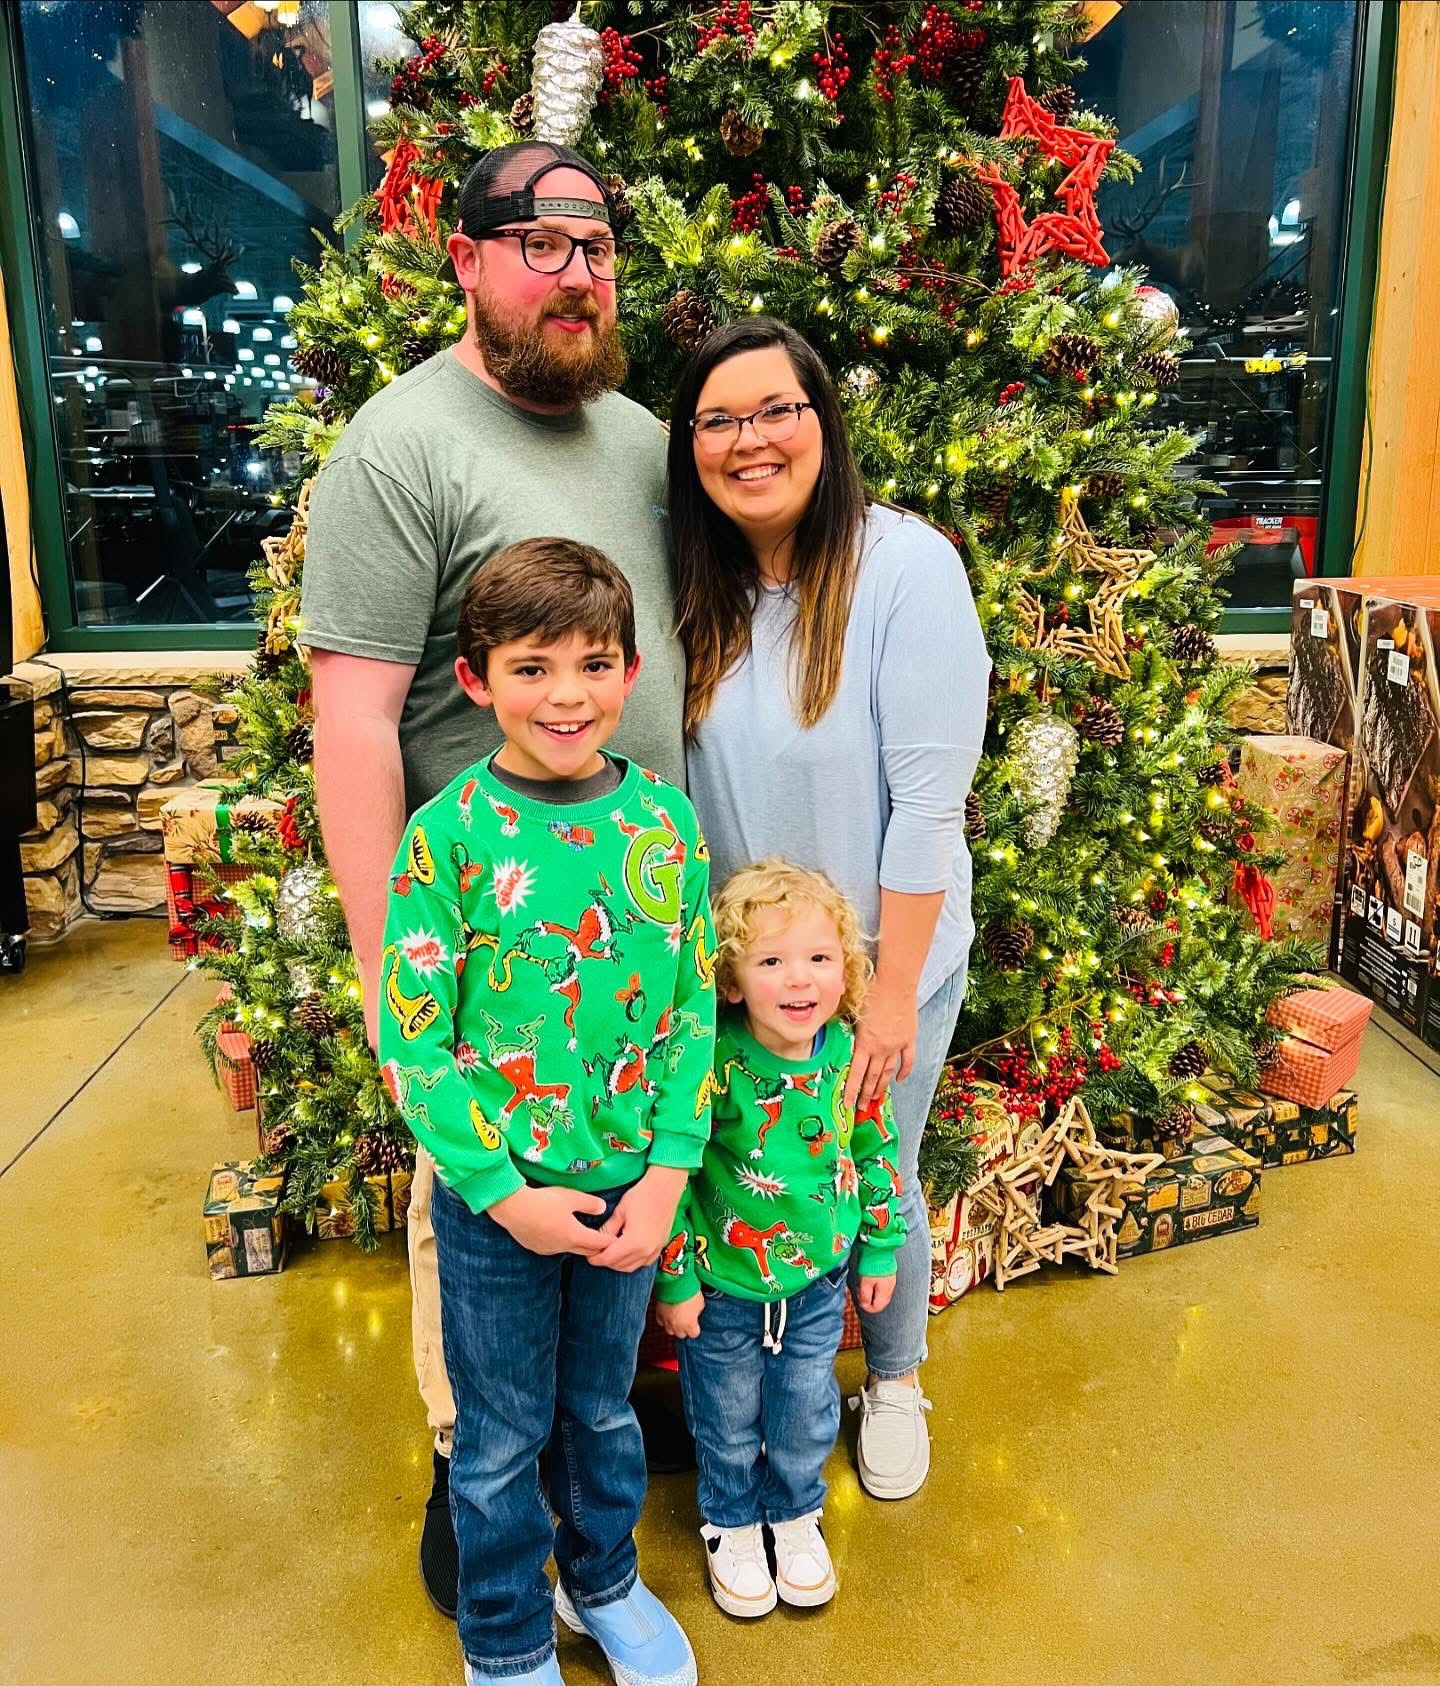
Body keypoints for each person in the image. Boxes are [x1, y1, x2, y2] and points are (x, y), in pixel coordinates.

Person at [300, 140, 686, 1615]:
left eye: (597, 244)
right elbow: (353, 721)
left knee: (604, 1237)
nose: (576, 272)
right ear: (465, 259)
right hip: (485, 958)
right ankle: (475, 1480)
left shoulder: (643, 440)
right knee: (474, 1229)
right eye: (540, 242)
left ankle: (585, 1498)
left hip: (630, 937)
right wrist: (385, 970)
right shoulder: (401, 448)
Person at [379, 537, 713, 1686]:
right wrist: (502, 1195)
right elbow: (415, 1043)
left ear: (630, 673)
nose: (566, 695)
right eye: (532, 667)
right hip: (497, 1211)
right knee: (499, 1437)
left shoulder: (666, 826)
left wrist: (667, 1177)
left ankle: (601, 1583)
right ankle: (506, 1637)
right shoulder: (447, 839)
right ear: (476, 680)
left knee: (603, 1414)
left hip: (629, 1193)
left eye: (592, 664)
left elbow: (693, 1012)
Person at [668, 317, 991, 1502]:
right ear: (689, 446)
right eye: (719, 420)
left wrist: (889, 994)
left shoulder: (905, 567)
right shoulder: (689, 580)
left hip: (880, 962)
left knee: (872, 1170)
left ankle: (893, 1378)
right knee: (742, 1172)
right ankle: (748, 1392)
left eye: (777, 410)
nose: (750, 440)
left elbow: (929, 806)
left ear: (824, 422)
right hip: (744, 975)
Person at [654, 861, 903, 1618]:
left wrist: (881, 1247)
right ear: (732, 982)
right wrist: (675, 1279)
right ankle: (731, 1524)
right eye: (771, 962)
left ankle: (795, 1514)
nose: (799, 979)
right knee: (725, 1416)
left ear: (845, 970)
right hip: (721, 1286)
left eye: (819, 958)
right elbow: (673, 1174)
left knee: (804, 1409)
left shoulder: (849, 1057)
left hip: (817, 1284)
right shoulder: (711, 1062)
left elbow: (875, 1151)